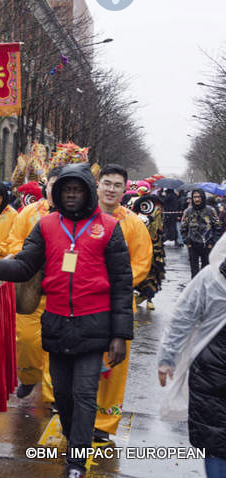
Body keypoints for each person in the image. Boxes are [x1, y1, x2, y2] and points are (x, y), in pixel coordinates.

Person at [0, 163, 133, 478]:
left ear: (87, 191)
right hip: (56, 324)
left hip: (94, 325)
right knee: (63, 395)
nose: (71, 195)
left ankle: (76, 463)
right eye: (66, 190)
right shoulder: (45, 226)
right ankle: (76, 438)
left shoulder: (110, 228)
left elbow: (122, 284)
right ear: (58, 193)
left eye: (77, 189)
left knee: (85, 394)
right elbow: (25, 265)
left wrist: (119, 335)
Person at [92, 164, 152, 443]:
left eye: (117, 185)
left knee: (113, 365)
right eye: (107, 183)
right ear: (98, 184)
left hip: (116, 303)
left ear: (125, 189)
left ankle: (104, 423)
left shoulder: (133, 223)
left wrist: (113, 283)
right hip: (82, 301)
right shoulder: (82, 217)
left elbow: (141, 264)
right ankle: (77, 415)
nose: (111, 189)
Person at [158, 235, 226, 478]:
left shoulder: (211, 277)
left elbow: (182, 317)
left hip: (209, 372)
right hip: (212, 376)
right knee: (216, 440)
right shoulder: (211, 279)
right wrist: (167, 357)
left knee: (215, 440)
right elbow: (183, 317)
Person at [5, 168, 60, 401]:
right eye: (53, 185)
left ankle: (54, 396)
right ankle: (29, 378)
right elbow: (13, 242)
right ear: (45, 186)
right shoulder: (29, 212)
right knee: (26, 340)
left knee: (57, 347)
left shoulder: (78, 217)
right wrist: (30, 258)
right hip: (31, 288)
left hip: (61, 292)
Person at [181, 188, 222, 277]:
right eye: (195, 197)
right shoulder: (188, 212)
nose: (197, 199)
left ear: (203, 197)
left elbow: (218, 227)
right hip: (193, 245)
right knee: (194, 272)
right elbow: (183, 228)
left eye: (199, 197)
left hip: (207, 244)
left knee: (206, 271)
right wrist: (187, 242)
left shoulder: (211, 210)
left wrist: (212, 242)